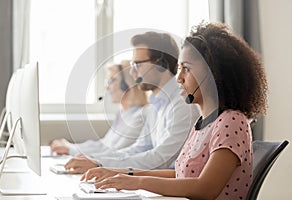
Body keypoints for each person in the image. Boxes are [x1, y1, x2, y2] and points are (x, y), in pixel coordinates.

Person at [80, 22, 268, 200]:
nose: (178, 78)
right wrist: (121, 174)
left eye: (186, 69)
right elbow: (179, 174)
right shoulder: (202, 124)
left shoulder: (231, 121)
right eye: (179, 68)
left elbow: (206, 189)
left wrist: (137, 181)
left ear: (213, 74)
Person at [63, 31, 201, 173]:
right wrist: (94, 159)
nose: (132, 73)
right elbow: (138, 149)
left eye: (137, 65)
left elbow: (161, 159)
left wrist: (101, 164)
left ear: (161, 64)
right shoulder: (154, 105)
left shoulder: (183, 104)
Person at [50, 60, 149, 156]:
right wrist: (71, 147)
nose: (107, 87)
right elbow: (103, 145)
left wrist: (71, 150)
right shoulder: (123, 114)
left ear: (127, 85)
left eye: (112, 80)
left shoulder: (139, 117)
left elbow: (115, 151)